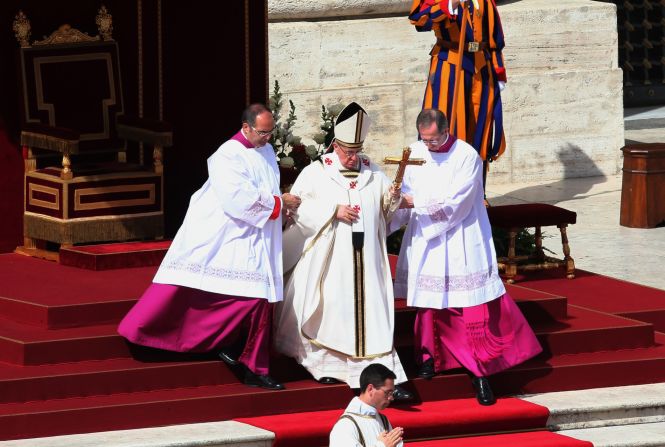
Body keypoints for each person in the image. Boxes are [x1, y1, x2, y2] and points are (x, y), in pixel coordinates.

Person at [118, 103, 301, 390]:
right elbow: (238, 199)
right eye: (263, 132)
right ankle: (248, 363)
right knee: (253, 298)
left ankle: (241, 355)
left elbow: (265, 188)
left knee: (261, 299)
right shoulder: (227, 155)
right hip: (230, 233)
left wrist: (281, 208)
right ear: (246, 127)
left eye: (270, 132)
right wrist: (279, 203)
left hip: (259, 233)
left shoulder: (265, 151)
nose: (268, 138)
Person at [391, 109, 541, 405]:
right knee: (429, 304)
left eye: (434, 139)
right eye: (425, 139)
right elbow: (405, 195)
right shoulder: (415, 152)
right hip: (427, 238)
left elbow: (458, 203)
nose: (429, 146)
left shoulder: (467, 156)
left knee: (465, 306)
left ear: (446, 130)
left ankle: (479, 374)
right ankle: (428, 358)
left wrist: (415, 202)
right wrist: (392, 205)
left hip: (461, 236)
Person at [274, 102, 412, 400]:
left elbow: (386, 213)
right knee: (332, 313)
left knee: (371, 316)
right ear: (335, 145)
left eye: (356, 151)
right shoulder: (316, 173)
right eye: (347, 151)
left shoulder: (373, 172)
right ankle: (327, 367)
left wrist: (394, 197)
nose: (352, 158)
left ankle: (388, 380)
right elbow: (296, 208)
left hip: (368, 262)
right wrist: (332, 210)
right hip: (331, 259)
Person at [409, 0, 507, 165]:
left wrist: (499, 72)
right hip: (450, 64)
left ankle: (476, 188)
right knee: (447, 127)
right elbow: (419, 20)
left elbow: (494, 38)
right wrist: (450, 4)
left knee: (480, 132)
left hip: (482, 67)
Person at [329, 364, 404, 447]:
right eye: (387, 392)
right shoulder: (345, 426)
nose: (391, 398)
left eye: (392, 393)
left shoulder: (382, 420)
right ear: (370, 389)